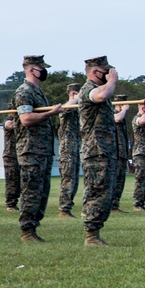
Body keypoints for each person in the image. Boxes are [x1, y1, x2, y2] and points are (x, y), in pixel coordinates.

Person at [13, 55, 63, 242]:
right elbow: (25, 119)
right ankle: (27, 231)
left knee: (41, 192)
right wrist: (51, 113)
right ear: (32, 69)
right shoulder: (24, 92)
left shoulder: (37, 92)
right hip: (30, 150)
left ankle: (33, 228)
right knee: (31, 191)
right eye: (41, 68)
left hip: (42, 150)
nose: (44, 71)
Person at [79, 55, 118, 246]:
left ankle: (94, 233)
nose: (110, 74)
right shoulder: (89, 90)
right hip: (96, 151)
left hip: (104, 150)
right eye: (106, 71)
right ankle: (91, 235)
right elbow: (102, 95)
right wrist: (112, 82)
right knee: (96, 191)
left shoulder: (98, 89)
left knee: (104, 192)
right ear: (95, 72)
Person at [57, 83, 82, 219]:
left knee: (74, 182)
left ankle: (67, 208)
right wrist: (75, 99)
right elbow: (64, 109)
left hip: (74, 151)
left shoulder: (76, 112)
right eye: (75, 93)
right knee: (67, 181)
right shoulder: (66, 109)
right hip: (67, 152)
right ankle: (64, 210)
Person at [110, 94, 130, 213]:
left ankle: (115, 205)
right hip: (114, 152)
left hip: (122, 153)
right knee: (115, 179)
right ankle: (111, 205)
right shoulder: (112, 112)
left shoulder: (123, 116)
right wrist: (124, 110)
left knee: (120, 180)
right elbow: (116, 119)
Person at [130, 105, 145, 211]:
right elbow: (142, 121)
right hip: (140, 153)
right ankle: (137, 203)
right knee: (141, 178)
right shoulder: (137, 118)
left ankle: (142, 202)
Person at [2, 106, 20, 212]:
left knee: (20, 181)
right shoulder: (8, 119)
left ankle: (16, 202)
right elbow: (9, 126)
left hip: (20, 153)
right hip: (11, 155)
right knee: (12, 180)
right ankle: (10, 204)